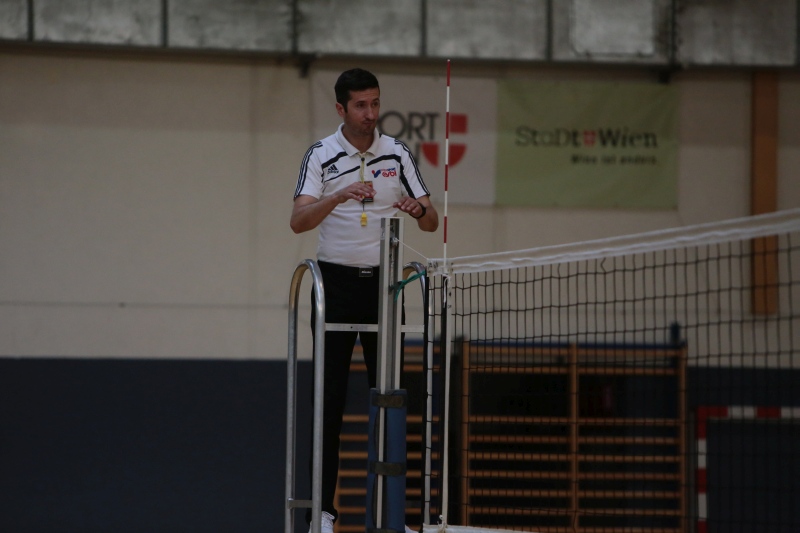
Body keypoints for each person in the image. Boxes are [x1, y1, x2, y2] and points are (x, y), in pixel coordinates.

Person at [291, 68, 438, 533]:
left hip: (384, 289)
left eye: (374, 103)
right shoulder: (320, 154)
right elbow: (298, 221)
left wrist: (418, 208)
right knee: (328, 404)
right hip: (333, 287)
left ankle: (396, 514)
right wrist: (338, 196)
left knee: (391, 400)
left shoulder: (397, 152)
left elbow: (432, 220)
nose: (370, 113)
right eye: (360, 105)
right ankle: (323, 514)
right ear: (341, 108)